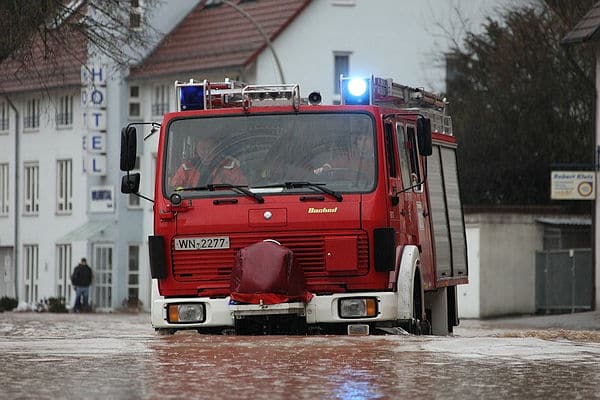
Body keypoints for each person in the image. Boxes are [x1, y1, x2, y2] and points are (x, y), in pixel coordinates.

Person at [170, 137, 247, 188]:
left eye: (210, 148)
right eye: (203, 148)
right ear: (197, 149)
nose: (206, 152)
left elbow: (242, 188)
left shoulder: (230, 166)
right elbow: (174, 189)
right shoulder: (186, 168)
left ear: (216, 149)